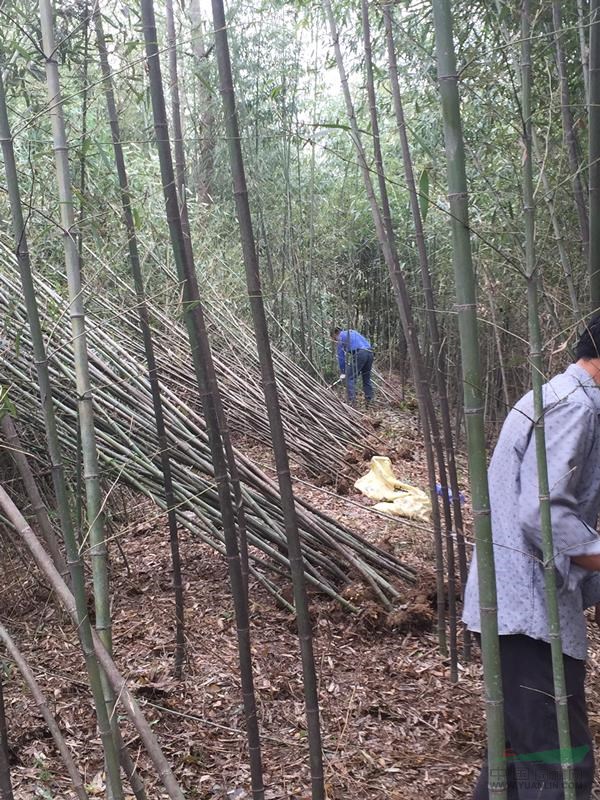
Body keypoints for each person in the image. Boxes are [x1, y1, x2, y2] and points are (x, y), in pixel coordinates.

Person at [463, 317, 600, 799]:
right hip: (529, 613)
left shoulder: (554, 397)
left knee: (516, 763)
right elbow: (544, 511)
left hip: (515, 608)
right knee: (560, 766)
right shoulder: (574, 408)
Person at [331, 326, 374, 405]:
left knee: (349, 378)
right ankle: (369, 401)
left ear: (335, 334)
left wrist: (343, 372)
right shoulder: (352, 332)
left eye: (334, 339)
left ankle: (352, 402)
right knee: (366, 378)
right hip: (370, 352)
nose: (335, 341)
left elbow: (341, 356)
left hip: (360, 353)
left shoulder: (340, 337)